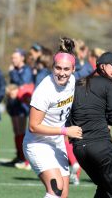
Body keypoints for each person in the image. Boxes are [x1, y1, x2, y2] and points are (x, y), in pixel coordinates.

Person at [23, 37, 82, 198]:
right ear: (52, 67)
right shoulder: (44, 90)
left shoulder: (72, 82)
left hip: (56, 143)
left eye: (66, 69)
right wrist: (65, 131)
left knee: (63, 194)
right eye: (58, 68)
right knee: (55, 189)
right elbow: (33, 126)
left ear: (73, 69)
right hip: (38, 144)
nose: (62, 73)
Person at [68, 52, 112, 197]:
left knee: (104, 188)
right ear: (102, 66)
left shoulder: (78, 83)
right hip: (101, 147)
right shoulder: (108, 85)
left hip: (80, 150)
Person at [6, 48, 34, 170]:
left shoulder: (26, 70)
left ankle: (24, 157)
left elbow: (22, 84)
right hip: (14, 103)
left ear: (22, 58)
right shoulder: (15, 70)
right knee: (16, 131)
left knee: (21, 131)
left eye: (15, 58)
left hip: (22, 104)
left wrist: (12, 73)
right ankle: (19, 156)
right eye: (12, 58)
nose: (13, 60)